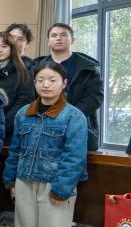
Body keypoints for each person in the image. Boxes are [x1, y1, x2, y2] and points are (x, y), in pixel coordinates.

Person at [4, 62, 88, 227]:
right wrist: (10, 181)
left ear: (64, 84)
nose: (46, 85)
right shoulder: (23, 113)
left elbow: (75, 157)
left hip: (55, 185)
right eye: (41, 80)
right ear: (34, 83)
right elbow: (15, 151)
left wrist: (61, 189)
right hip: (25, 181)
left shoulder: (73, 116)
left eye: (52, 80)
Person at [32, 23, 103, 151]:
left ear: (72, 40)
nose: (58, 38)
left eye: (63, 35)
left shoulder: (88, 68)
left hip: (79, 127)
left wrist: (68, 116)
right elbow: (31, 96)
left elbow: (95, 97)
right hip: (42, 127)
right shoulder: (36, 66)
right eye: (54, 35)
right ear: (48, 41)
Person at [0, 31, 35, 142]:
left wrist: (1, 126)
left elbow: (23, 103)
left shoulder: (23, 73)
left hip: (11, 133)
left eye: (4, 46)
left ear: (12, 48)